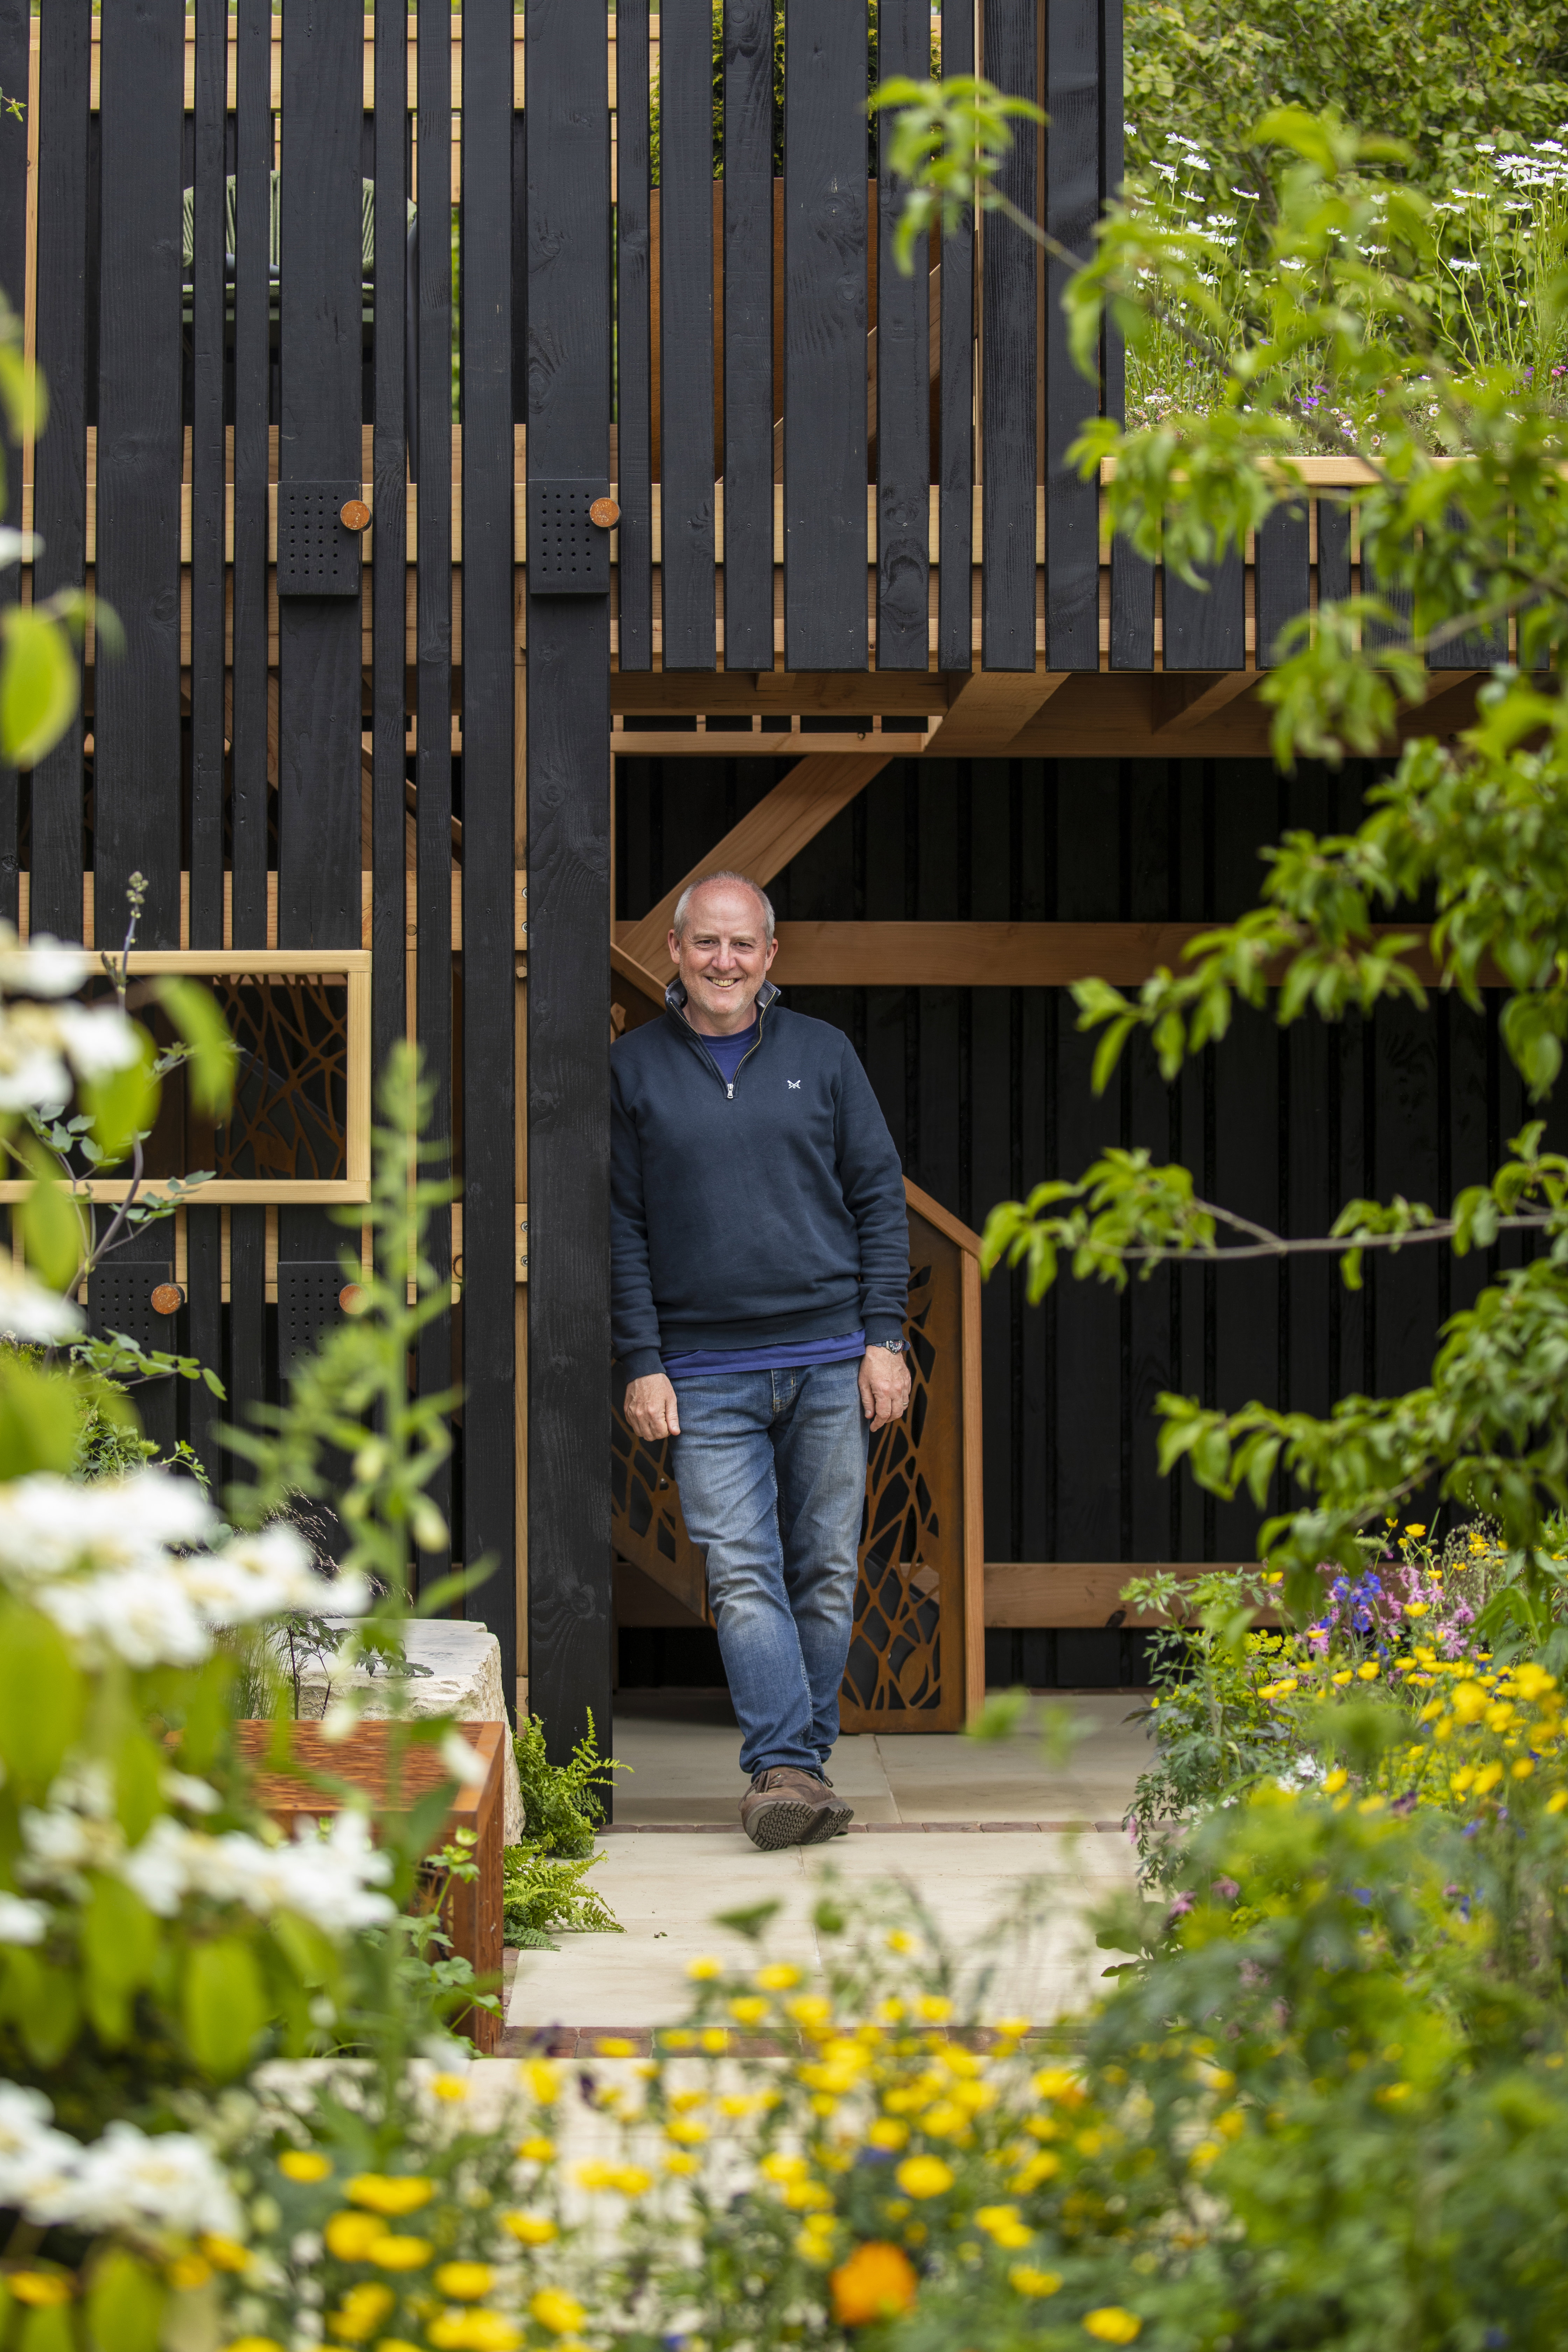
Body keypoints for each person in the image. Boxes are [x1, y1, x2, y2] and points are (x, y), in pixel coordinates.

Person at [610, 870, 911, 1850]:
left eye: (743, 946)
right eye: (707, 944)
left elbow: (878, 1199)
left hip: (831, 1357)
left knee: (824, 1569)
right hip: (704, 1369)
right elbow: (619, 1228)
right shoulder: (635, 1069)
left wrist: (885, 1338)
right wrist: (642, 1360)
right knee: (742, 1570)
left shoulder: (824, 1057)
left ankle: (796, 1772)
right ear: (676, 951)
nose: (725, 962)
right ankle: (785, 1766)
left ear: (770, 957)